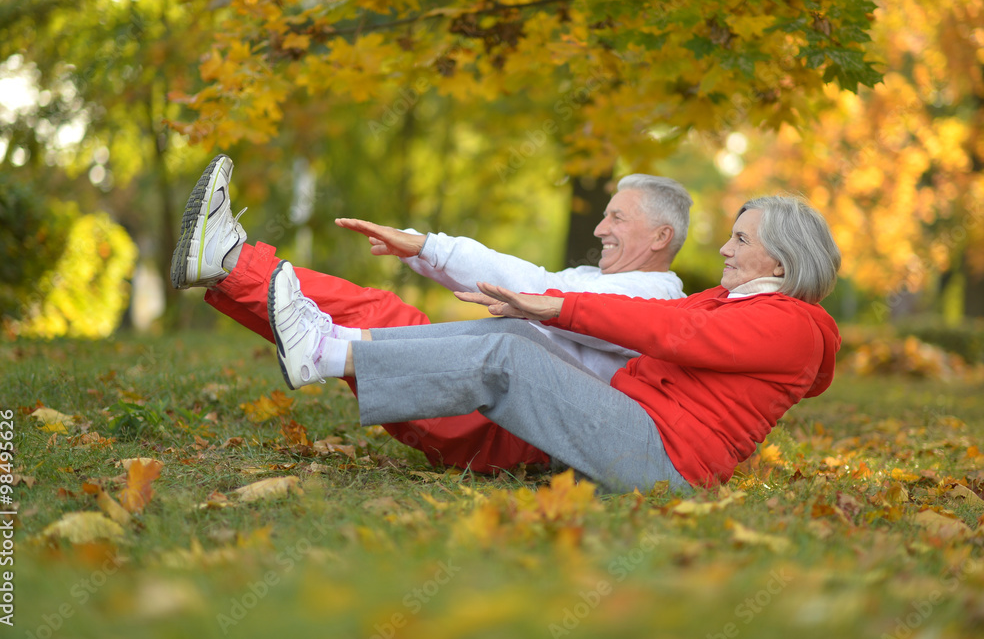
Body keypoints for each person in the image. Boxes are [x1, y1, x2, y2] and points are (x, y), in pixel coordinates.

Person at [265, 195, 842, 492]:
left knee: (510, 355)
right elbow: (649, 313)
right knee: (515, 334)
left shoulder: (792, 325)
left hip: (665, 463)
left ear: (783, 258)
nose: (724, 249)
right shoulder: (735, 300)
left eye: (740, 239)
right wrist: (538, 305)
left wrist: (560, 306)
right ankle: (337, 342)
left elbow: (672, 333)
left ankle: (324, 355)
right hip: (640, 429)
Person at [171, 155, 693, 472]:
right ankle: (227, 268)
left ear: (660, 237)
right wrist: (423, 249)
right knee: (353, 322)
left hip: (502, 431)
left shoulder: (657, 303)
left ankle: (231, 263)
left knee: (379, 315)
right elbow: (536, 281)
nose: (601, 229)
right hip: (492, 413)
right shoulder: (617, 285)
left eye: (616, 218)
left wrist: (428, 246)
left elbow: (534, 286)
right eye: (604, 215)